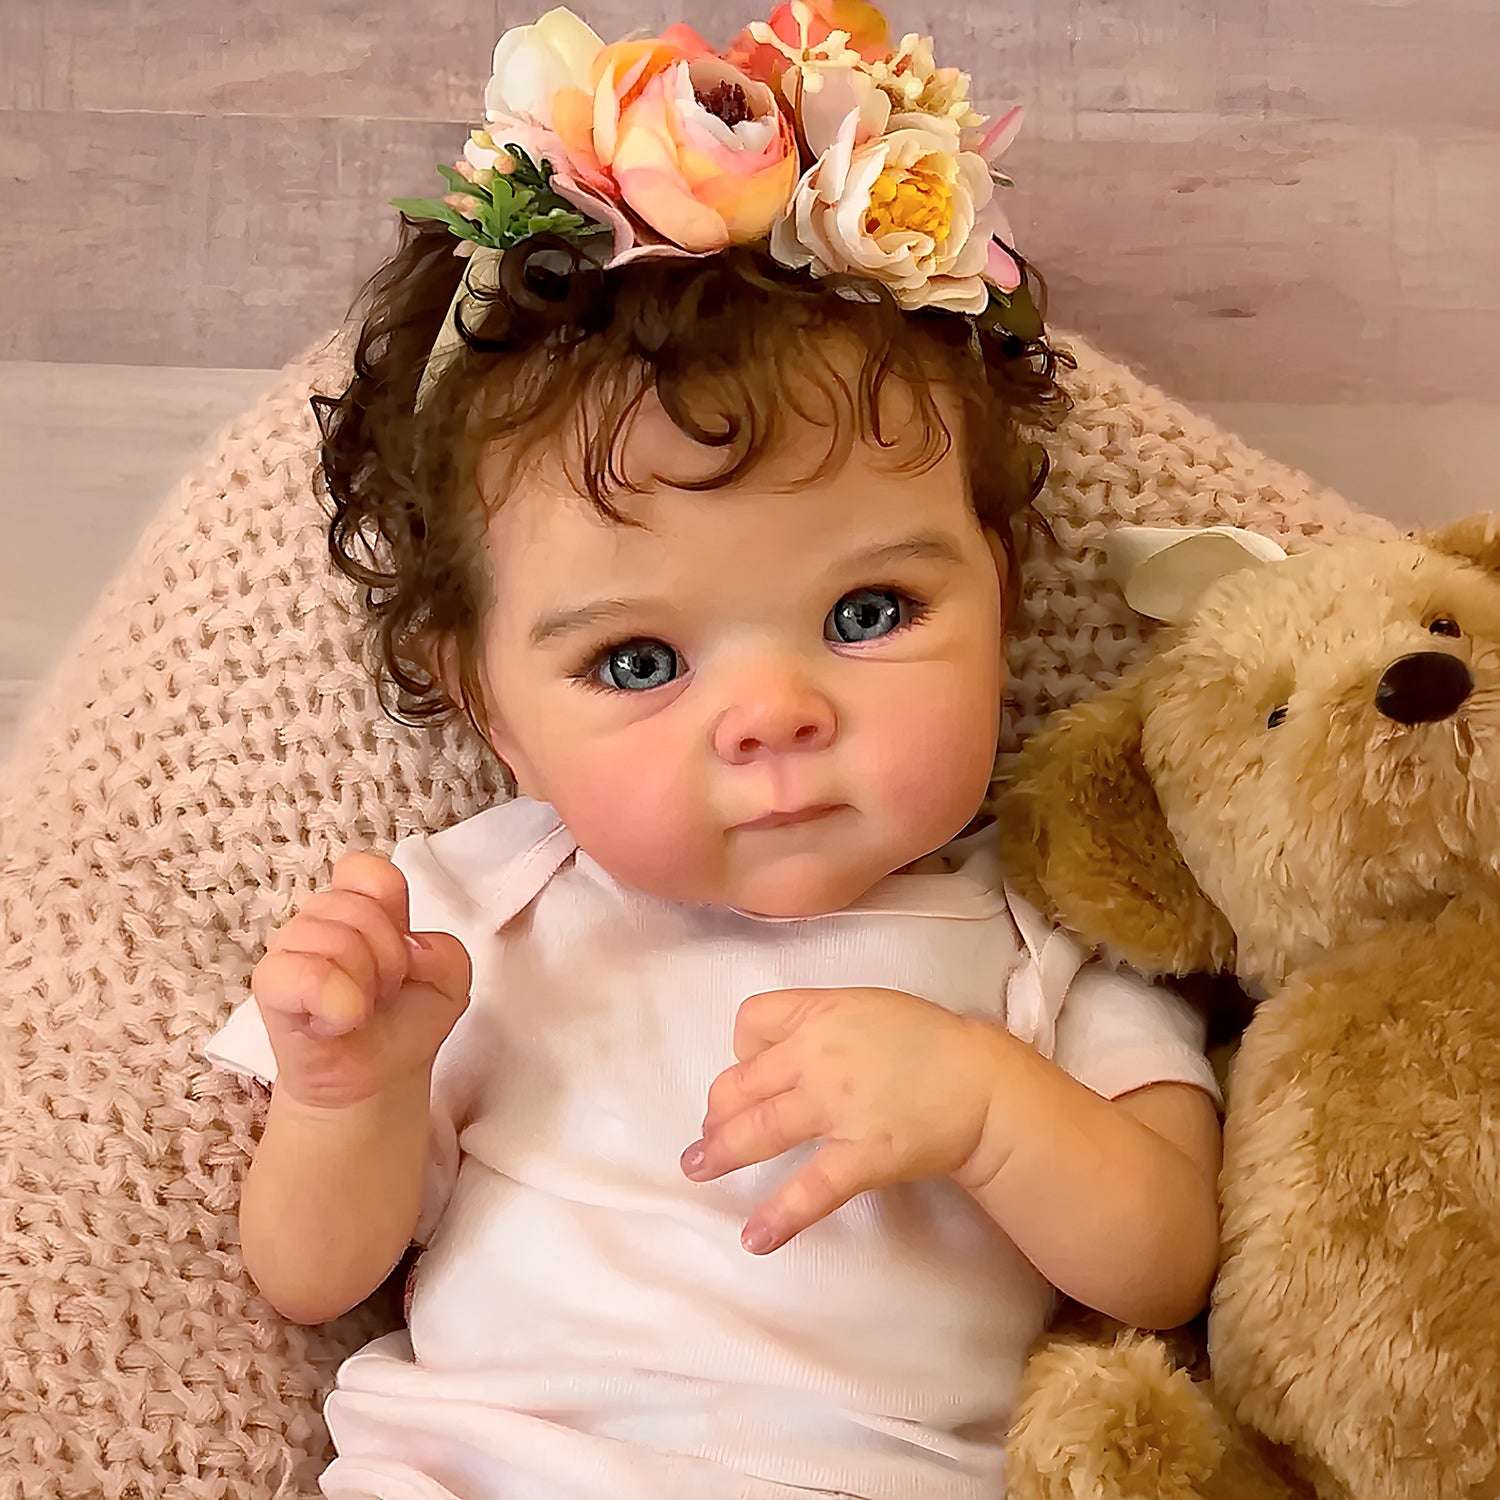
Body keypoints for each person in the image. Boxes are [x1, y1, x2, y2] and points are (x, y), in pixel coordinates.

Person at [205, 5, 1222, 1496]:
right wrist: (348, 1092)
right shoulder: (467, 929)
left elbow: (1169, 1265)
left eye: (870, 612)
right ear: (493, 712)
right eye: (639, 663)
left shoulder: (1046, 937)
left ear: (1002, 599)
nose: (773, 715)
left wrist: (989, 1112)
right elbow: (309, 1277)